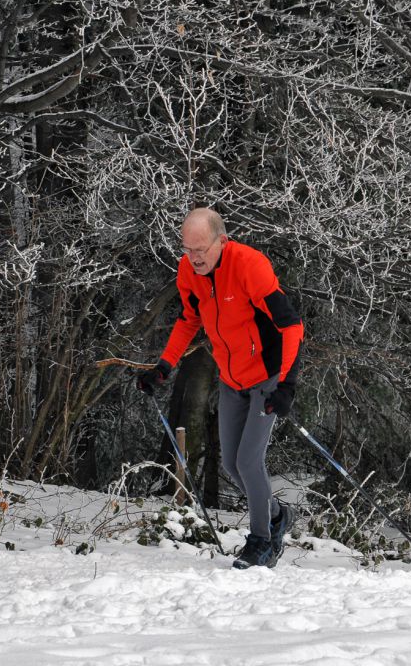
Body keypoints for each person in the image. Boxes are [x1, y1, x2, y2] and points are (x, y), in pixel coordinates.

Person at [137, 208, 303, 569]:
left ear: (222, 241)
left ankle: (261, 542)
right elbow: (188, 320)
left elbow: (291, 326)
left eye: (201, 249)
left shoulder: (249, 266)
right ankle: (276, 515)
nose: (194, 258)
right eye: (187, 249)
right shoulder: (189, 272)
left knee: (248, 461)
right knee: (231, 463)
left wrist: (286, 384)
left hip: (266, 376)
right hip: (231, 379)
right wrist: (164, 367)